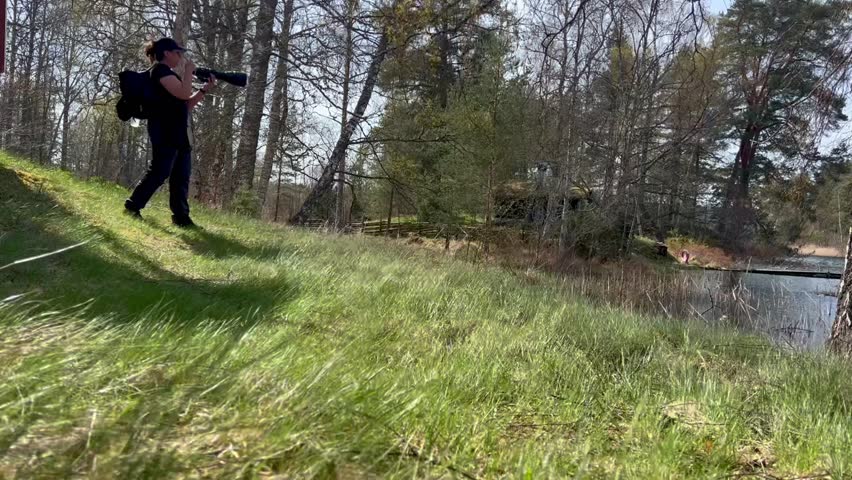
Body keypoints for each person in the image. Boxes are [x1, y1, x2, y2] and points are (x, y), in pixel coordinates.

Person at [123, 37, 216, 228]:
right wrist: (189, 72)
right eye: (178, 53)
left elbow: (185, 104)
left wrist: (204, 90)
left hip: (178, 131)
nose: (180, 57)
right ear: (166, 53)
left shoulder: (170, 74)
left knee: (181, 175)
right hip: (163, 129)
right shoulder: (159, 71)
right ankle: (133, 206)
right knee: (160, 170)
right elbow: (183, 93)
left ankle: (181, 217)